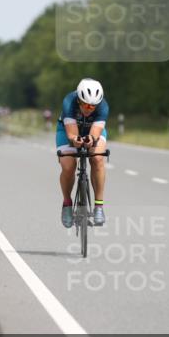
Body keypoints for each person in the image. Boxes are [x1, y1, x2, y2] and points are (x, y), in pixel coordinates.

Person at [57, 78, 109, 228]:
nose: (89, 108)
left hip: (91, 129)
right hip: (67, 130)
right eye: (86, 104)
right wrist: (75, 140)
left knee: (98, 159)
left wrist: (91, 140)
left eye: (93, 106)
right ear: (79, 100)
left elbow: (95, 132)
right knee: (68, 165)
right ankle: (67, 204)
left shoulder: (103, 106)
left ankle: (99, 206)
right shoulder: (69, 101)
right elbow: (72, 134)